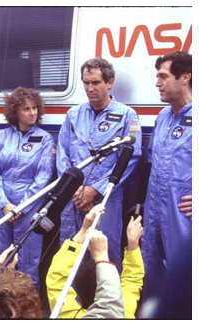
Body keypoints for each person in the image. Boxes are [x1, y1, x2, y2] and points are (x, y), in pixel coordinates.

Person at [56, 58, 142, 267]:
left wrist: (96, 189)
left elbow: (132, 157)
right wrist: (72, 188)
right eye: (86, 83)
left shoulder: (126, 115)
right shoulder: (73, 114)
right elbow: (62, 152)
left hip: (105, 199)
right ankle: (68, 299)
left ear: (109, 82)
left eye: (95, 82)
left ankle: (104, 300)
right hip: (73, 198)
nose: (90, 88)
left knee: (105, 255)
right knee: (68, 253)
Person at [0, 87, 55, 287]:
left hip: (30, 204)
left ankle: (27, 310)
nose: (32, 113)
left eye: (35, 108)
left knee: (28, 258)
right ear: (15, 112)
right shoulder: (0, 138)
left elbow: (43, 177)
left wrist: (21, 206)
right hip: (1, 205)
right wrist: (5, 204)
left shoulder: (44, 139)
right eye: (26, 109)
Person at [142, 51, 191, 303]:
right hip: (155, 212)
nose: (157, 83)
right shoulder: (162, 118)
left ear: (185, 77)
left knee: (184, 282)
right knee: (150, 273)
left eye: (163, 76)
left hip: (183, 215)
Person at [46, 205, 143, 318]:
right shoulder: (123, 312)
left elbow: (57, 278)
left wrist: (84, 230)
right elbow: (132, 280)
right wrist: (133, 242)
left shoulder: (68, 315)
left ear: (80, 294)